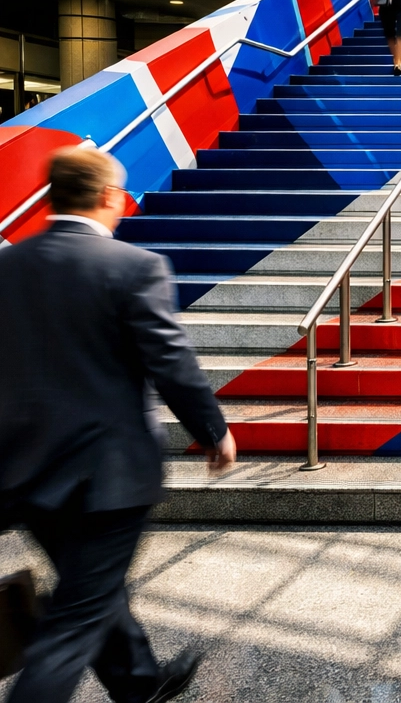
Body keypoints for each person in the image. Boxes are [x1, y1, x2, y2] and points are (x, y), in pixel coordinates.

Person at [0, 146, 237, 703]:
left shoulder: (7, 267)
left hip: (25, 467)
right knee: (74, 618)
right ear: (108, 196)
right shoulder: (134, 267)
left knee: (93, 587)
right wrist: (212, 428)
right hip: (107, 472)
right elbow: (170, 361)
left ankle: (139, 685)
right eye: (121, 193)